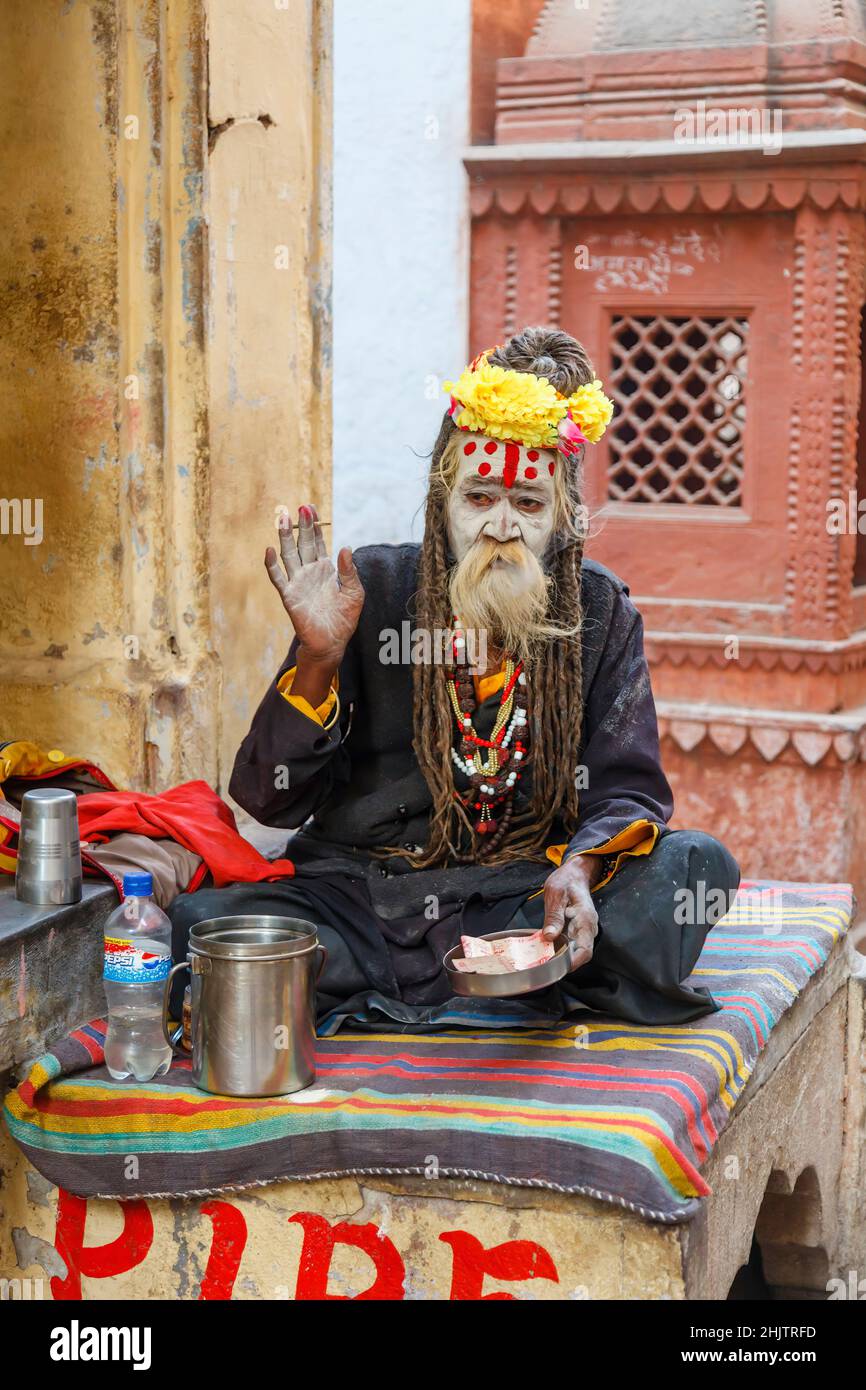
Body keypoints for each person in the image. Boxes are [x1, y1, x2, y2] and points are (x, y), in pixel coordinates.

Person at [168, 326, 739, 1031]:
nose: (502, 526)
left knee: (697, 867)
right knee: (200, 923)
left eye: (528, 504)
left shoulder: (598, 610)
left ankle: (507, 971)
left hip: (522, 896)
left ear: (560, 519)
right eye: (480, 498)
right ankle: (528, 988)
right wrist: (317, 657)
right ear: (444, 502)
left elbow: (627, 789)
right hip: (362, 897)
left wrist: (580, 873)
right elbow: (268, 800)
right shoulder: (368, 588)